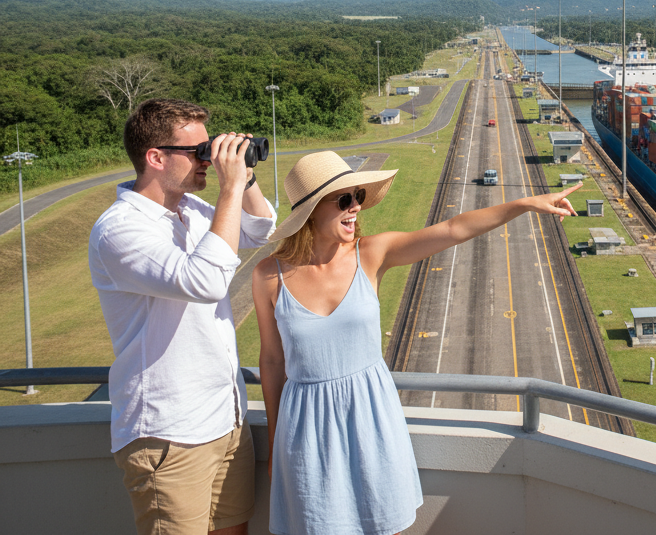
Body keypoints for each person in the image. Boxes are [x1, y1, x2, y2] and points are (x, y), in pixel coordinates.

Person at [252, 150, 580, 535]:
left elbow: (454, 228)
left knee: (381, 522)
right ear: (310, 211)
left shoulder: (372, 254)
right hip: (305, 426)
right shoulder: (268, 275)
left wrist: (524, 204)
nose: (356, 206)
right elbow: (273, 363)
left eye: (357, 196)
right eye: (344, 199)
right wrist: (276, 439)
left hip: (370, 416)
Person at [90, 98, 277, 535]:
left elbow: (258, 228)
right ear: (155, 158)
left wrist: (244, 176)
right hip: (168, 431)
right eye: (197, 152)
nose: (207, 161)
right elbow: (206, 281)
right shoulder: (119, 230)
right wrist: (229, 189)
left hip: (224, 419)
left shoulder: (190, 210)